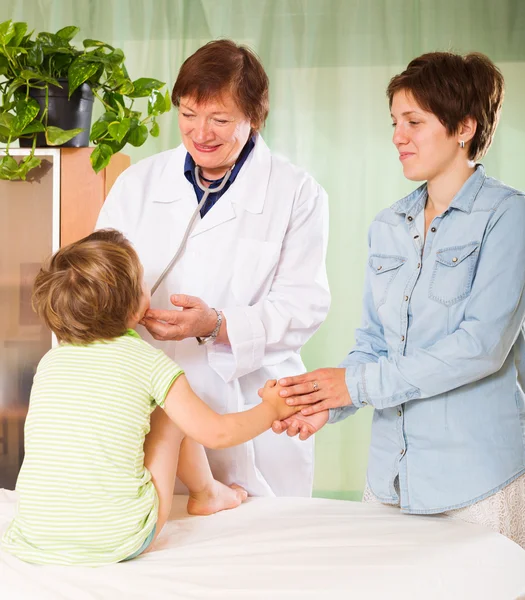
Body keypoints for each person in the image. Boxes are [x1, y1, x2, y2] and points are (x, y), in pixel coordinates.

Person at [270, 52, 525, 548]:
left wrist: (355, 387)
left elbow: (480, 346)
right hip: (390, 480)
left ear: (464, 127)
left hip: (478, 480)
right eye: (394, 122)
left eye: (413, 121)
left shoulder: (508, 217)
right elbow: (373, 343)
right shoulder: (388, 226)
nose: (397, 137)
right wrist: (328, 404)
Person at [95, 40, 330, 497]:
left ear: (254, 118)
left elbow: (303, 306)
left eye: (219, 119)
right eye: (187, 114)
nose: (200, 132)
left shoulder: (296, 192)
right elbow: (98, 278)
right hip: (152, 408)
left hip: (251, 406)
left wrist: (218, 325)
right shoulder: (137, 184)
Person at [1, 229, 302, 566]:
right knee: (172, 414)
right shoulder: (148, 362)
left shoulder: (50, 362)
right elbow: (218, 433)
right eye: (143, 283)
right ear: (134, 308)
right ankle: (207, 493)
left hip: (35, 534)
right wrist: (272, 406)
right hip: (118, 537)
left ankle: (208, 494)